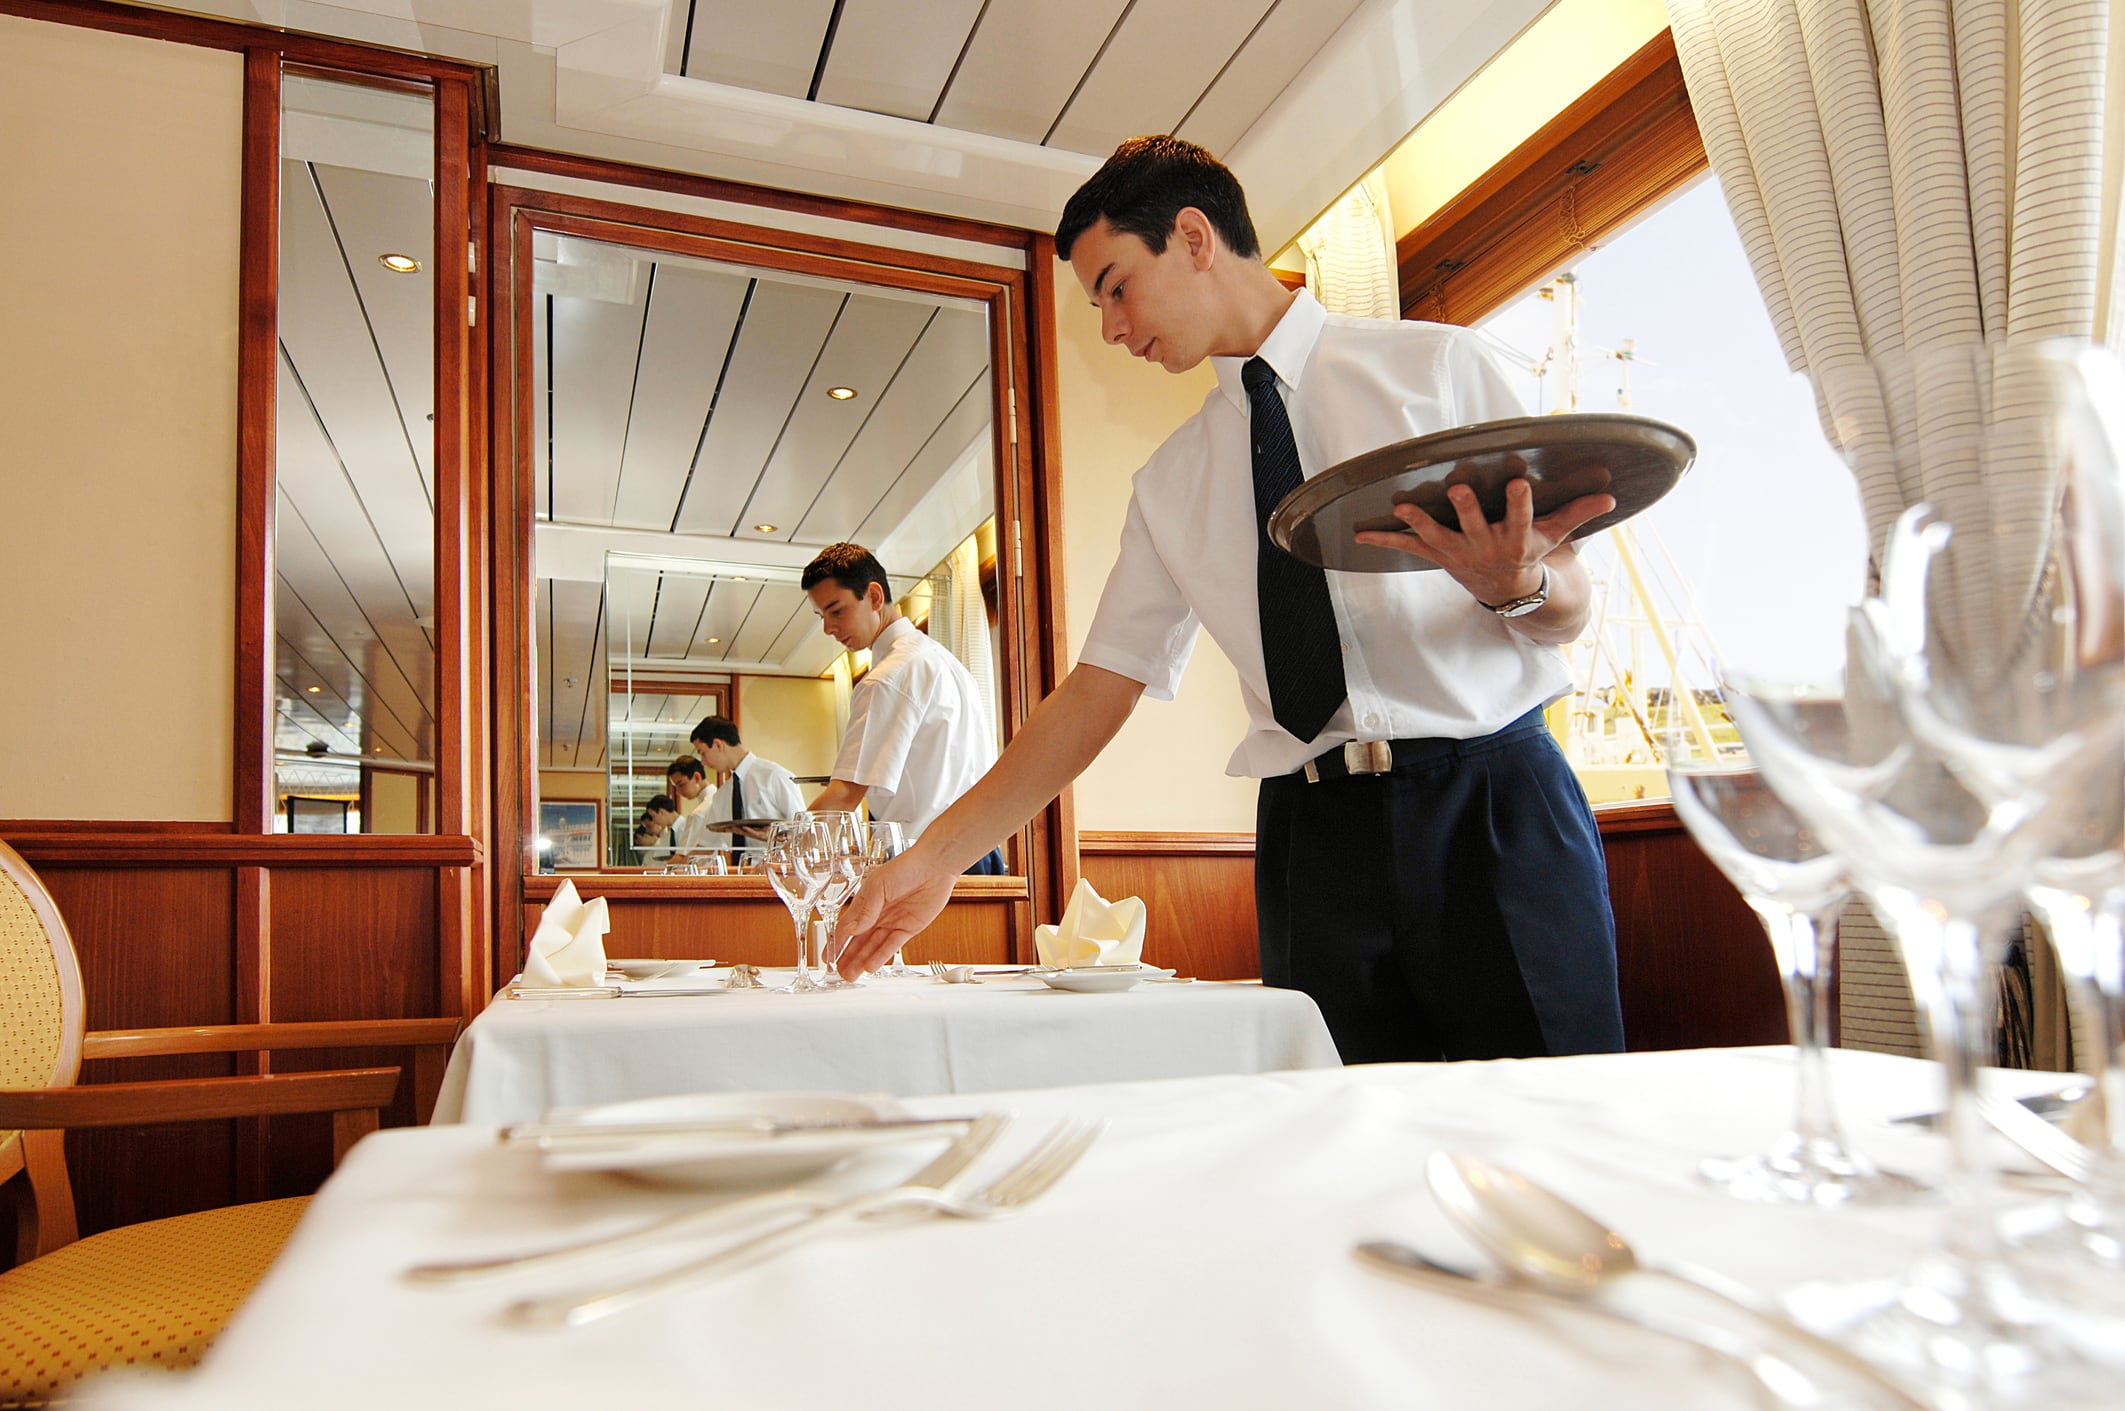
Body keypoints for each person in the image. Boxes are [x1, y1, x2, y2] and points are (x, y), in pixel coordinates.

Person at [834, 135, 1626, 1063]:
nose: (1111, 329)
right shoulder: (1170, 483)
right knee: (1342, 1146)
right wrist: (933, 859)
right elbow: (1096, 690)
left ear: (1194, 235)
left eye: (1115, 286)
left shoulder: (1436, 370)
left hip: (1495, 803)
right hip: (1312, 839)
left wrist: (1517, 585)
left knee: (1552, 1123)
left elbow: (1572, 600)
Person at [800, 543, 1005, 875]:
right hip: (982, 853)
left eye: (836, 611)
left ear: (875, 597)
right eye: (821, 615)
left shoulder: (885, 679)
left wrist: (780, 856)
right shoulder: (946, 662)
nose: (828, 628)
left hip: (926, 861)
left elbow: (841, 798)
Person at [689, 715, 806, 859]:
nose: (703, 762)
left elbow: (805, 829)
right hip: (741, 874)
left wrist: (779, 835)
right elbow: (706, 846)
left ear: (718, 744)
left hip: (778, 871)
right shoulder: (722, 795)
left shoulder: (774, 776)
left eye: (702, 753)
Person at [663, 756, 716, 855]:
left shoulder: (699, 813)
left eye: (681, 785)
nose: (678, 792)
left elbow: (683, 857)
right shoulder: (719, 797)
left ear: (696, 777)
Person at [631, 794, 680, 863]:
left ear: (661, 812)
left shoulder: (684, 828)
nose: (654, 821)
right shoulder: (668, 834)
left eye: (653, 816)